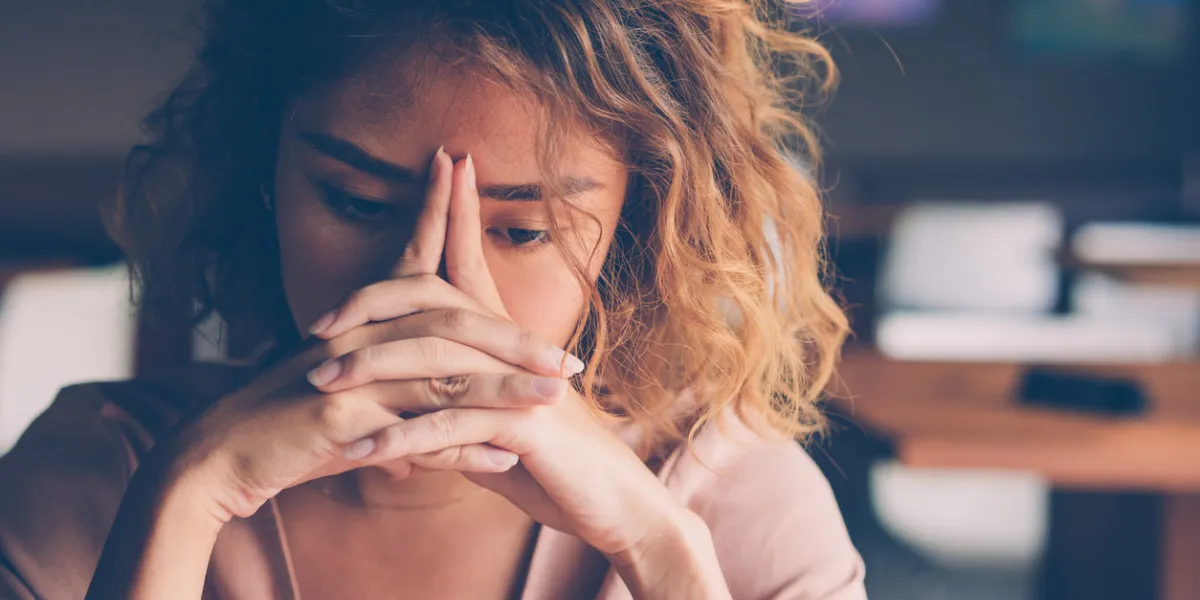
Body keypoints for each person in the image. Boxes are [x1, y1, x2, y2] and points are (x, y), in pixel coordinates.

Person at [0, 0, 865, 598]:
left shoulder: (730, 505)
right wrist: (190, 498)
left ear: (633, 231)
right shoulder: (99, 478)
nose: (437, 292)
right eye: (356, 203)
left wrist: (660, 552)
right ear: (262, 176)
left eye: (525, 230)